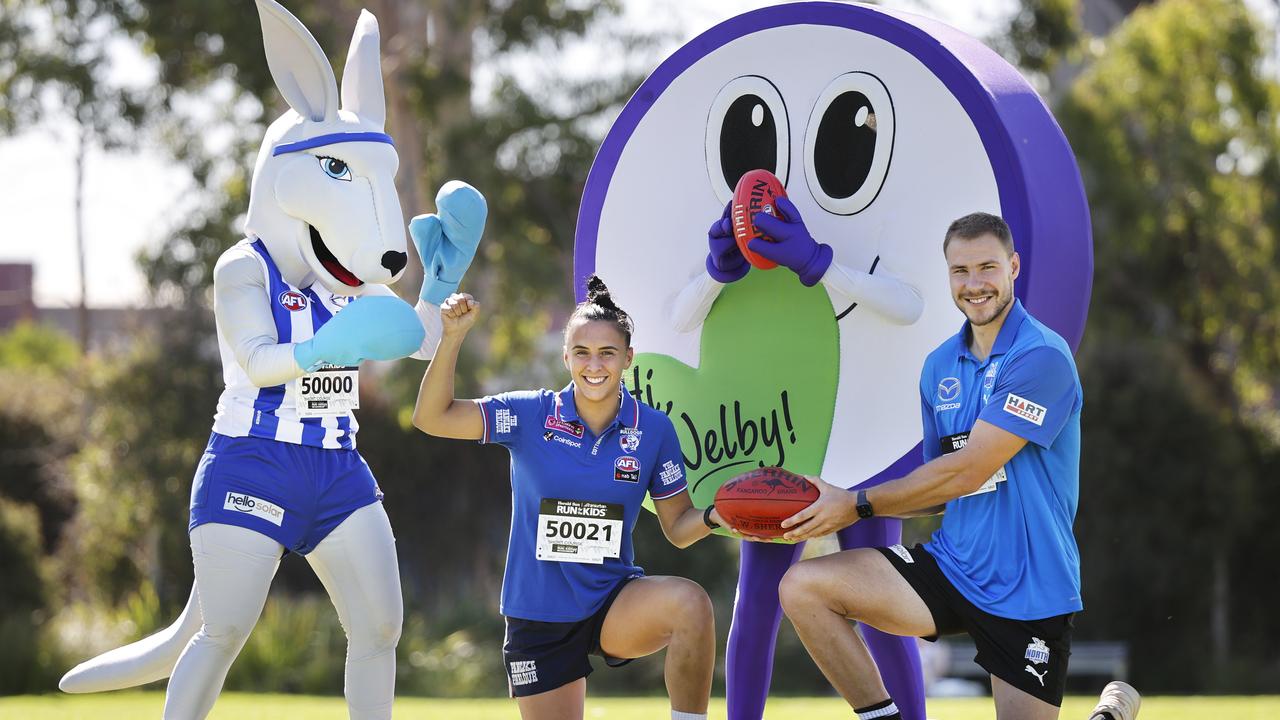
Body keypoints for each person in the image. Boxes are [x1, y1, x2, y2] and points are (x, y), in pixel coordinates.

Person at [771, 212, 1132, 720]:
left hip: (1028, 588)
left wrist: (854, 506)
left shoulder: (1041, 358)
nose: (974, 284)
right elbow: (940, 487)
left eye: (987, 267)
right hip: (953, 568)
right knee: (804, 587)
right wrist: (832, 500)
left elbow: (967, 471)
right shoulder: (939, 367)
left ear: (1013, 267)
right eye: (960, 271)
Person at [411, 275, 722, 720]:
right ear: (566, 358)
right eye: (582, 353)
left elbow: (678, 527)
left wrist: (716, 514)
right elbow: (431, 417)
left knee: (691, 603)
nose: (594, 365)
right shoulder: (529, 414)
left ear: (628, 358)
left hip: (612, 600)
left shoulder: (653, 430)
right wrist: (453, 337)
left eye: (607, 353)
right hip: (538, 614)